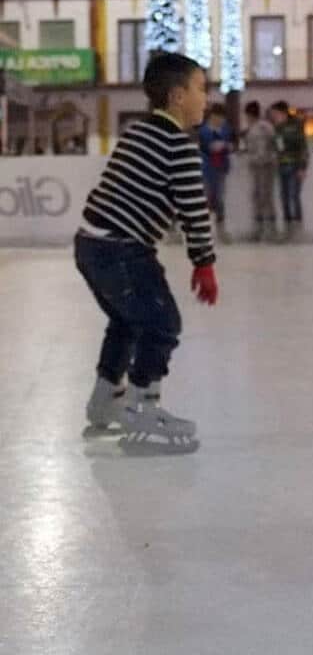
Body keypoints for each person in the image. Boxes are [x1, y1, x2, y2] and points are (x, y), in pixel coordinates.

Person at [75, 52, 217, 453]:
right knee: (161, 323)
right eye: (200, 89)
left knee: (125, 320)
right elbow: (194, 210)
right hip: (121, 247)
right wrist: (204, 264)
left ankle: (105, 401)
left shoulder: (137, 131)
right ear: (176, 96)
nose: (206, 99)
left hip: (90, 242)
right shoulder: (180, 147)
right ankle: (142, 408)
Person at [270, 101, 310, 241]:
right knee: (284, 197)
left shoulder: (296, 126)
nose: (272, 115)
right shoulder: (276, 128)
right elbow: (276, 147)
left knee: (294, 196)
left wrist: (303, 167)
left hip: (294, 166)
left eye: (274, 113)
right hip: (281, 166)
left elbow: (303, 148)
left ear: (282, 112)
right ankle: (287, 229)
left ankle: (297, 229)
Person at [197, 103, 234, 245]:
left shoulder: (226, 129)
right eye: (218, 118)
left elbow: (231, 143)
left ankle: (221, 229)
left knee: (220, 199)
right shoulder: (203, 131)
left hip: (221, 169)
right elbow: (206, 147)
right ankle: (203, 231)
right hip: (207, 169)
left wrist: (226, 146)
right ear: (212, 116)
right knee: (206, 198)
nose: (221, 121)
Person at [242, 100, 279, 243]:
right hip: (255, 167)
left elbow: (272, 146)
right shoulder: (251, 128)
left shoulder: (265, 127)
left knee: (266, 198)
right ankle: (258, 230)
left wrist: (266, 158)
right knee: (256, 197)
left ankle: (270, 230)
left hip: (266, 166)